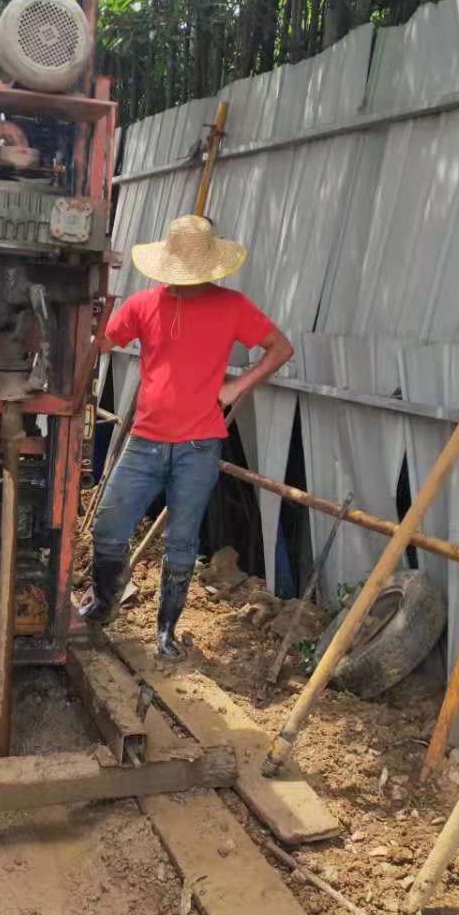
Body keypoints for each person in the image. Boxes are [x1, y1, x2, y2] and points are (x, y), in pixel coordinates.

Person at [81, 214, 293, 658]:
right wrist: (93, 314)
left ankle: (165, 631)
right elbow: (103, 344)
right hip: (144, 440)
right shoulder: (142, 304)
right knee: (108, 528)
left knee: (182, 541)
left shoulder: (232, 306)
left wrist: (237, 386)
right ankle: (103, 604)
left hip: (198, 446)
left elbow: (280, 347)